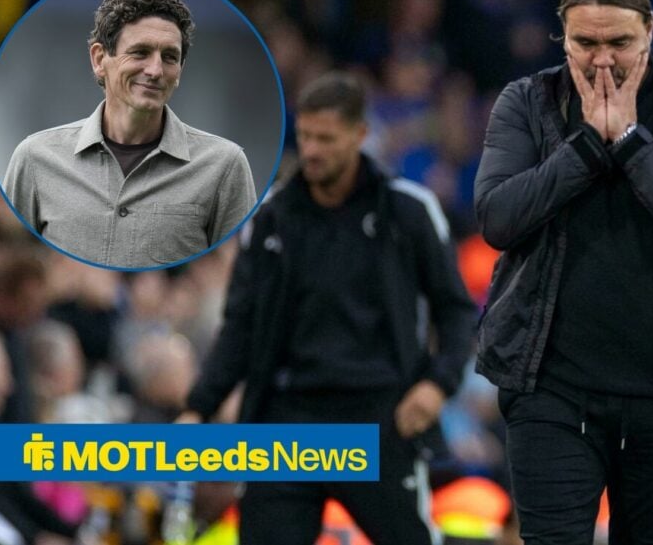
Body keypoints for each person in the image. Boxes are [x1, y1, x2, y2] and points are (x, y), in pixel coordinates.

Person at [474, 0, 653, 545]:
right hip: (550, 388)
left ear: (650, 30)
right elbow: (497, 217)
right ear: (562, 37)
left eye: (619, 42)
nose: (602, 62)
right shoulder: (526, 103)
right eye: (585, 43)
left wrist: (627, 139)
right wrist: (588, 147)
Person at [180, 72, 477, 545]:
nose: (312, 150)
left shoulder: (407, 211)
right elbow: (240, 326)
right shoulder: (273, 217)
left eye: (326, 139)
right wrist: (200, 406)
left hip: (379, 416)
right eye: (305, 137)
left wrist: (438, 384)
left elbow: (456, 310)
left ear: (360, 135)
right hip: (286, 418)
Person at [3, 0, 255, 268]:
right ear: (100, 59)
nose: (155, 70)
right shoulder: (35, 159)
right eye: (140, 52)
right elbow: (11, 266)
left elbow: (240, 273)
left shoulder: (224, 166)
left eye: (169, 57)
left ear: (180, 70)